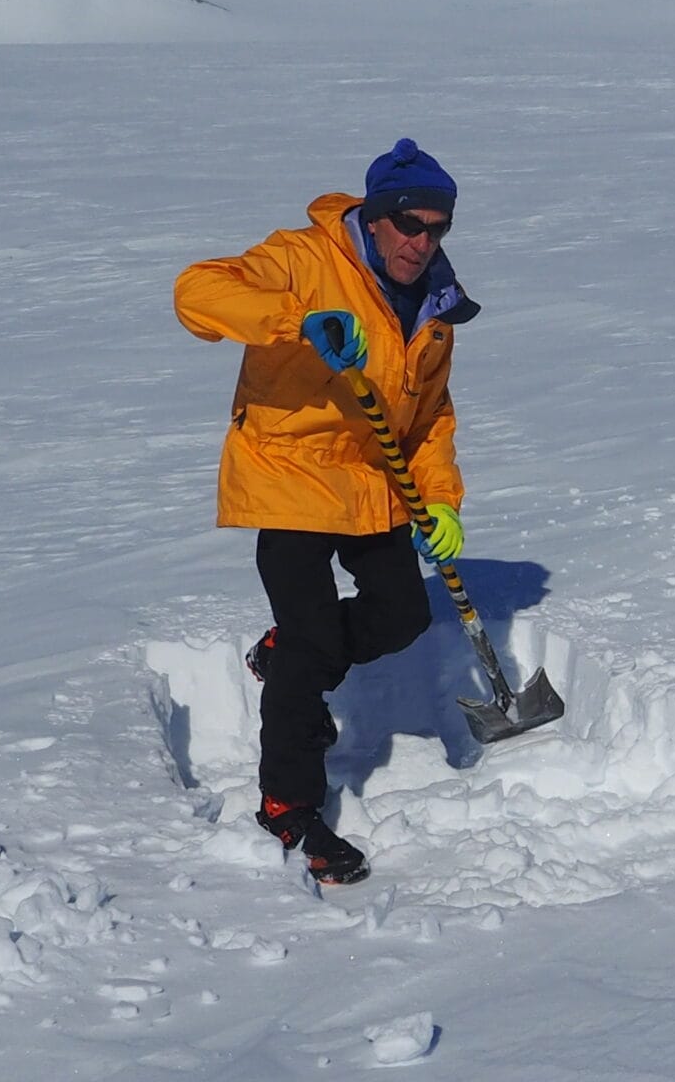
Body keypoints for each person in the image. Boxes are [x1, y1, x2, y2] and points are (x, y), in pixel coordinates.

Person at [172, 138, 479, 885]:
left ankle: (284, 658)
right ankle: (289, 804)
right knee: (314, 643)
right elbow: (195, 292)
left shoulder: (433, 304)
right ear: (374, 219)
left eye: (437, 228)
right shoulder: (304, 258)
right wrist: (297, 317)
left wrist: (439, 501)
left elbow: (430, 415)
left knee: (402, 614)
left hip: (374, 480)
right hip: (289, 472)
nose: (421, 241)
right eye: (409, 224)